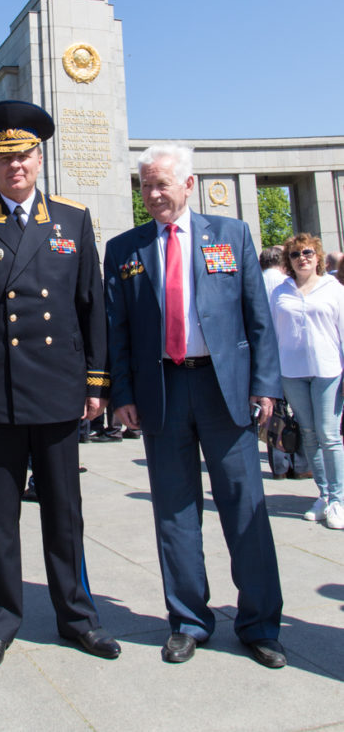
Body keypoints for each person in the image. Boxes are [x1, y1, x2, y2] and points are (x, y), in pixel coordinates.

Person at [0, 100, 119, 671]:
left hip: (59, 387)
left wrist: (97, 380)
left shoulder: (72, 219)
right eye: (4, 158)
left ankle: (79, 618)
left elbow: (91, 305)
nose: (15, 166)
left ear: (39, 160)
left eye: (25, 156)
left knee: (65, 514)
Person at [105, 144, 286, 669]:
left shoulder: (231, 235)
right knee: (174, 511)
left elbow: (257, 317)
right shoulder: (125, 249)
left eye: (162, 183)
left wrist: (265, 386)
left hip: (223, 390)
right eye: (145, 185)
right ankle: (188, 621)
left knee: (244, 507)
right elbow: (117, 329)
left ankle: (259, 625)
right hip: (161, 391)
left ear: (189, 184)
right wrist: (122, 394)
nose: (153, 194)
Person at [270, 234, 344, 529]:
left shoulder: (333, 288)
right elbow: (272, 334)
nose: (302, 258)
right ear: (288, 261)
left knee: (329, 434)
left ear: (318, 257)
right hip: (292, 371)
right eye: (295, 254)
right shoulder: (280, 291)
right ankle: (324, 495)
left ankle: (339, 499)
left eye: (308, 253)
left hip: (328, 370)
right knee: (309, 434)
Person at [259, 246, 310, 481]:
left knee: (274, 413)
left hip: (266, 357)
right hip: (291, 357)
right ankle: (301, 465)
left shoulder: (255, 281)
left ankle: (279, 466)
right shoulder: (289, 284)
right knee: (300, 412)